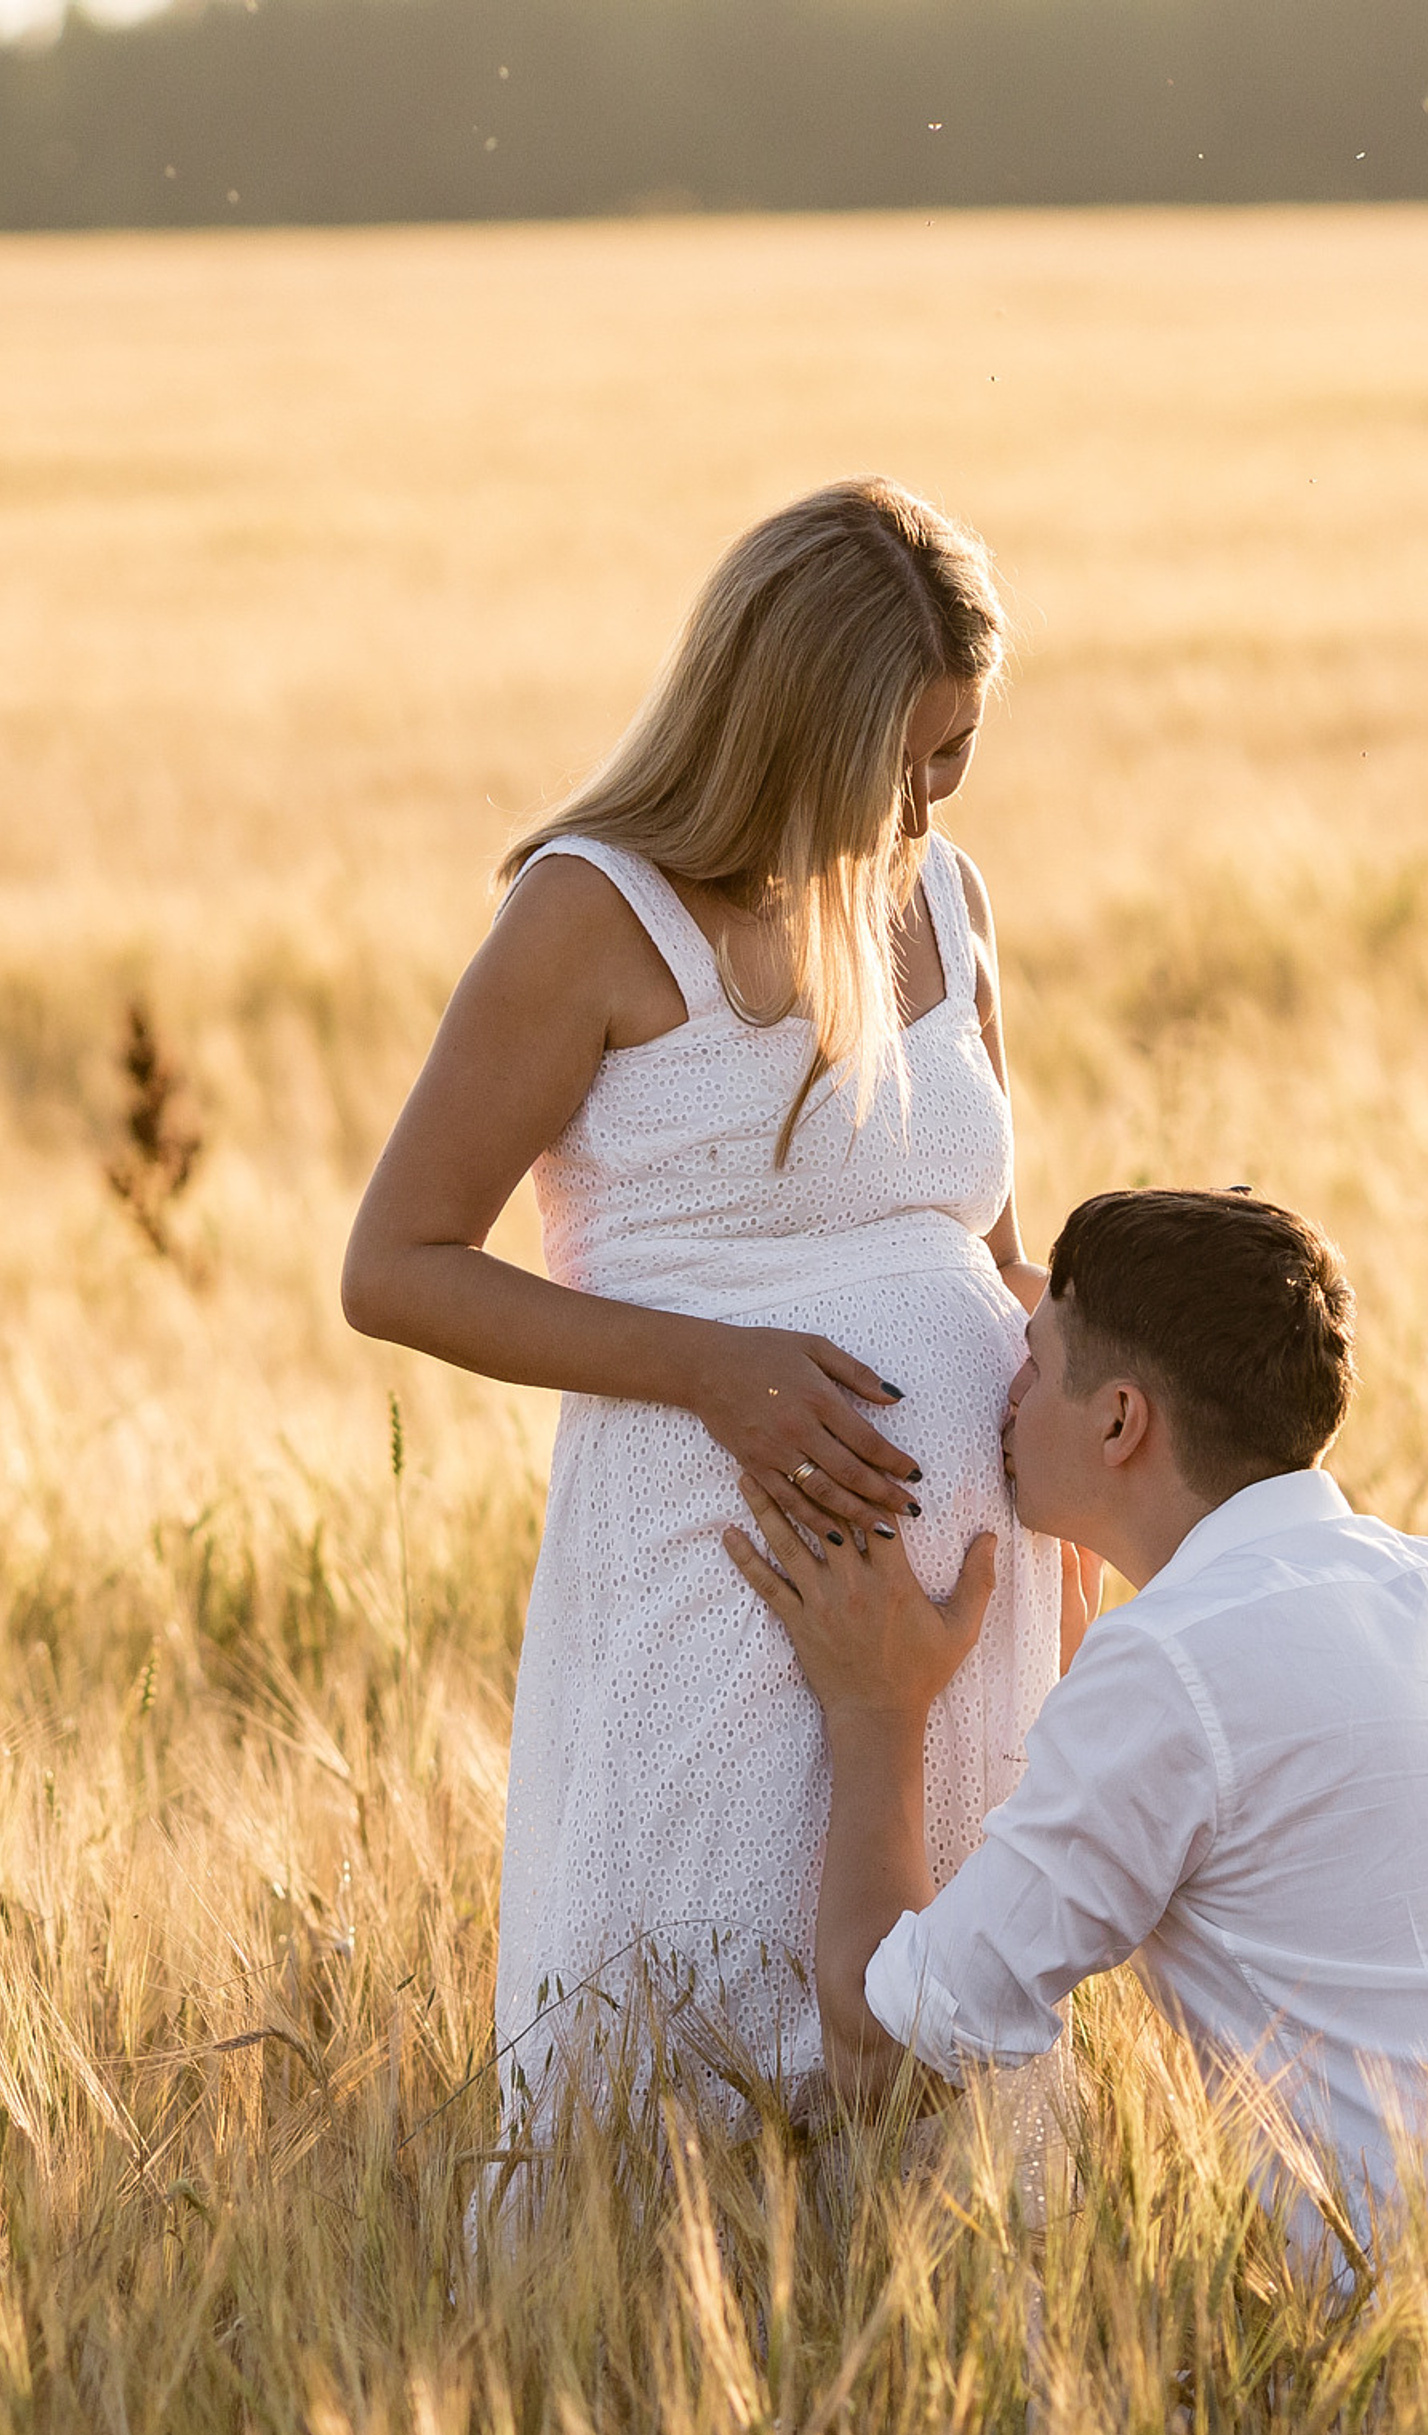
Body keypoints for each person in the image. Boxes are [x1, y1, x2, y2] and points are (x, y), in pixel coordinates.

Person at [342, 478, 1091, 2120]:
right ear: (780, 726)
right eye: (894, 759)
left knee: (942, 2063)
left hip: (972, 1608)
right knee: (697, 2049)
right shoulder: (591, 914)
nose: (926, 801)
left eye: (956, 752)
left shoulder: (949, 902)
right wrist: (718, 1374)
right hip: (717, 1566)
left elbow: (985, 1248)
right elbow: (394, 1266)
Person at [722, 1186, 1428, 2244]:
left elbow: (883, 2066)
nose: (1004, 1397)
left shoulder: (1171, 1666)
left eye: (1033, 1359)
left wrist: (876, 1707)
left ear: (1119, 1419)